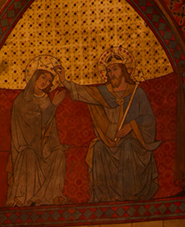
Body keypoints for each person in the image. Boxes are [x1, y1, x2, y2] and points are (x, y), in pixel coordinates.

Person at [64, 53, 159, 202]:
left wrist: (131, 126)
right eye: (109, 71)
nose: (111, 74)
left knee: (127, 146)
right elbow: (85, 93)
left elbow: (149, 118)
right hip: (110, 140)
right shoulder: (105, 92)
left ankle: (128, 196)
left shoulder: (137, 92)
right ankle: (103, 196)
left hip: (133, 140)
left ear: (123, 70)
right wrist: (64, 81)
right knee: (99, 147)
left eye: (114, 69)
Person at [6, 64, 67, 205]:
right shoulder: (22, 100)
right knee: (30, 154)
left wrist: (56, 146)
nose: (45, 82)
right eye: (43, 77)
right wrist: (54, 105)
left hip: (43, 146)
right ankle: (24, 198)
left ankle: (50, 196)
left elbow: (50, 128)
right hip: (25, 147)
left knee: (58, 154)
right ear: (35, 77)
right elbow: (35, 124)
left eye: (49, 80)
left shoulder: (46, 99)